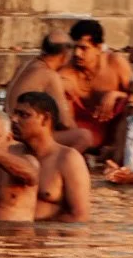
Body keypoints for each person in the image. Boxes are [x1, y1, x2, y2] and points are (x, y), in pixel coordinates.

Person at [8, 92, 91, 222]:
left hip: (47, 238)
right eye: (14, 113)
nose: (14, 119)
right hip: (9, 237)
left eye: (23, 115)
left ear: (45, 119)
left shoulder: (68, 159)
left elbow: (79, 217)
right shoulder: (9, 153)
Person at [61, 17, 131, 154]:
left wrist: (115, 94)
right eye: (74, 47)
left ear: (98, 48)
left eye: (83, 48)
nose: (77, 54)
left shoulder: (115, 63)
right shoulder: (67, 70)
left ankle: (117, 149)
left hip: (115, 132)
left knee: (130, 105)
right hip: (84, 133)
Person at [2, 33, 81, 142]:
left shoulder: (26, 64)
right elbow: (66, 123)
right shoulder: (49, 75)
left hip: (9, 126)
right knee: (83, 137)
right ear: (65, 55)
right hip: (19, 134)